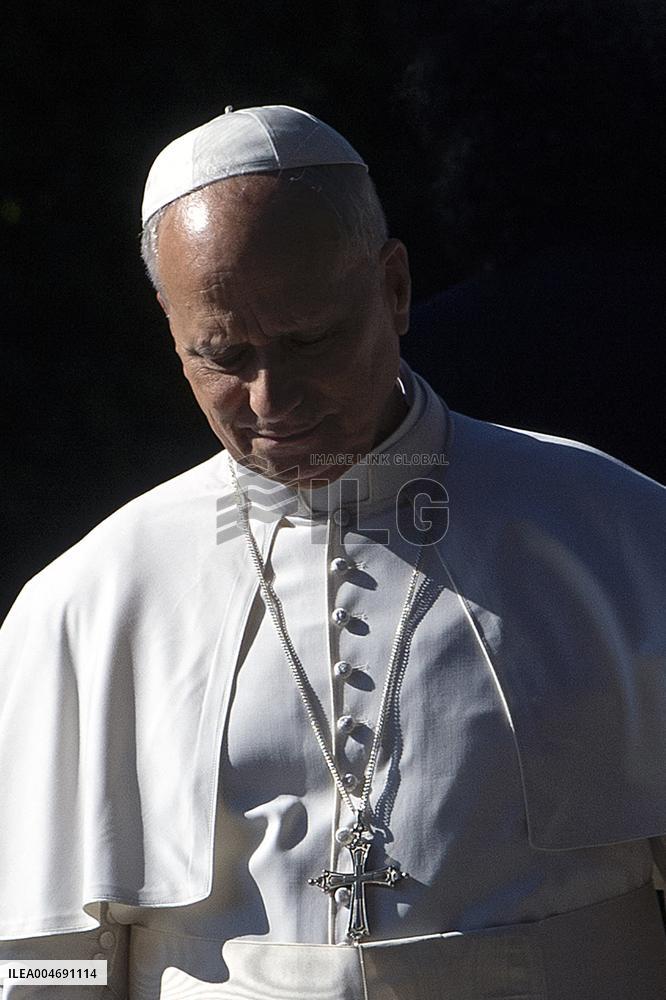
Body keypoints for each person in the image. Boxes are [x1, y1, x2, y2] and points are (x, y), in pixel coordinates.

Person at [0, 105, 665, 1000]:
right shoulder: (88, 602)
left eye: (310, 339)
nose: (271, 399)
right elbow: (44, 956)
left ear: (393, 288)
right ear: (170, 331)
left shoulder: (615, 530)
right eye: (224, 356)